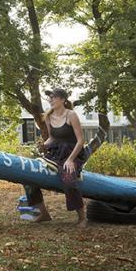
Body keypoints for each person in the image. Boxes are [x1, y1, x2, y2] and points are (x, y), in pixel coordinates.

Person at [25, 88, 87, 227]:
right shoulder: (48, 117)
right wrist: (42, 146)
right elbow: (52, 138)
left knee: (69, 180)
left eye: (54, 97)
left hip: (72, 153)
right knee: (28, 175)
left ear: (63, 100)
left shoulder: (71, 115)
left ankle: (82, 217)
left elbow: (80, 140)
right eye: (50, 98)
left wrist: (70, 159)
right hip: (55, 153)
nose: (51, 100)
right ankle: (43, 213)